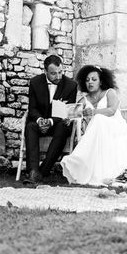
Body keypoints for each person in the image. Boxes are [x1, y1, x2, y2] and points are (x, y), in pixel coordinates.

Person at [60, 65, 127, 186]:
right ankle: (78, 161)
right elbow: (74, 113)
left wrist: (94, 112)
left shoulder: (109, 92)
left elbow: (112, 111)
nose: (90, 82)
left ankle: (80, 156)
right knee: (98, 120)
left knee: (98, 118)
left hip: (115, 128)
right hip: (98, 134)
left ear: (101, 81)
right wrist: (69, 119)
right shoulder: (84, 100)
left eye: (94, 79)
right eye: (87, 80)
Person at [23, 54, 77, 184]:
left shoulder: (71, 85)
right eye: (53, 73)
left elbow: (68, 111)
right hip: (40, 121)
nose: (58, 76)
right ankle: (33, 171)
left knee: (63, 127)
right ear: (45, 71)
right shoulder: (35, 82)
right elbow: (32, 109)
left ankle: (43, 171)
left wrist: (51, 121)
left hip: (58, 123)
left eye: (60, 72)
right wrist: (40, 120)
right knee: (30, 127)